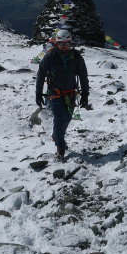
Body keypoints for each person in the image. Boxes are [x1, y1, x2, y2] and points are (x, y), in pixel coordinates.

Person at [35, 29, 89, 160]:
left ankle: (56, 135)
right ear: (56, 44)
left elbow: (83, 76)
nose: (64, 46)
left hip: (71, 93)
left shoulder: (76, 56)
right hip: (55, 93)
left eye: (67, 43)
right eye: (61, 43)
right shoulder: (50, 56)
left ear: (70, 43)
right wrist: (38, 93)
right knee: (60, 119)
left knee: (67, 118)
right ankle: (60, 147)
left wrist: (85, 94)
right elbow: (41, 74)